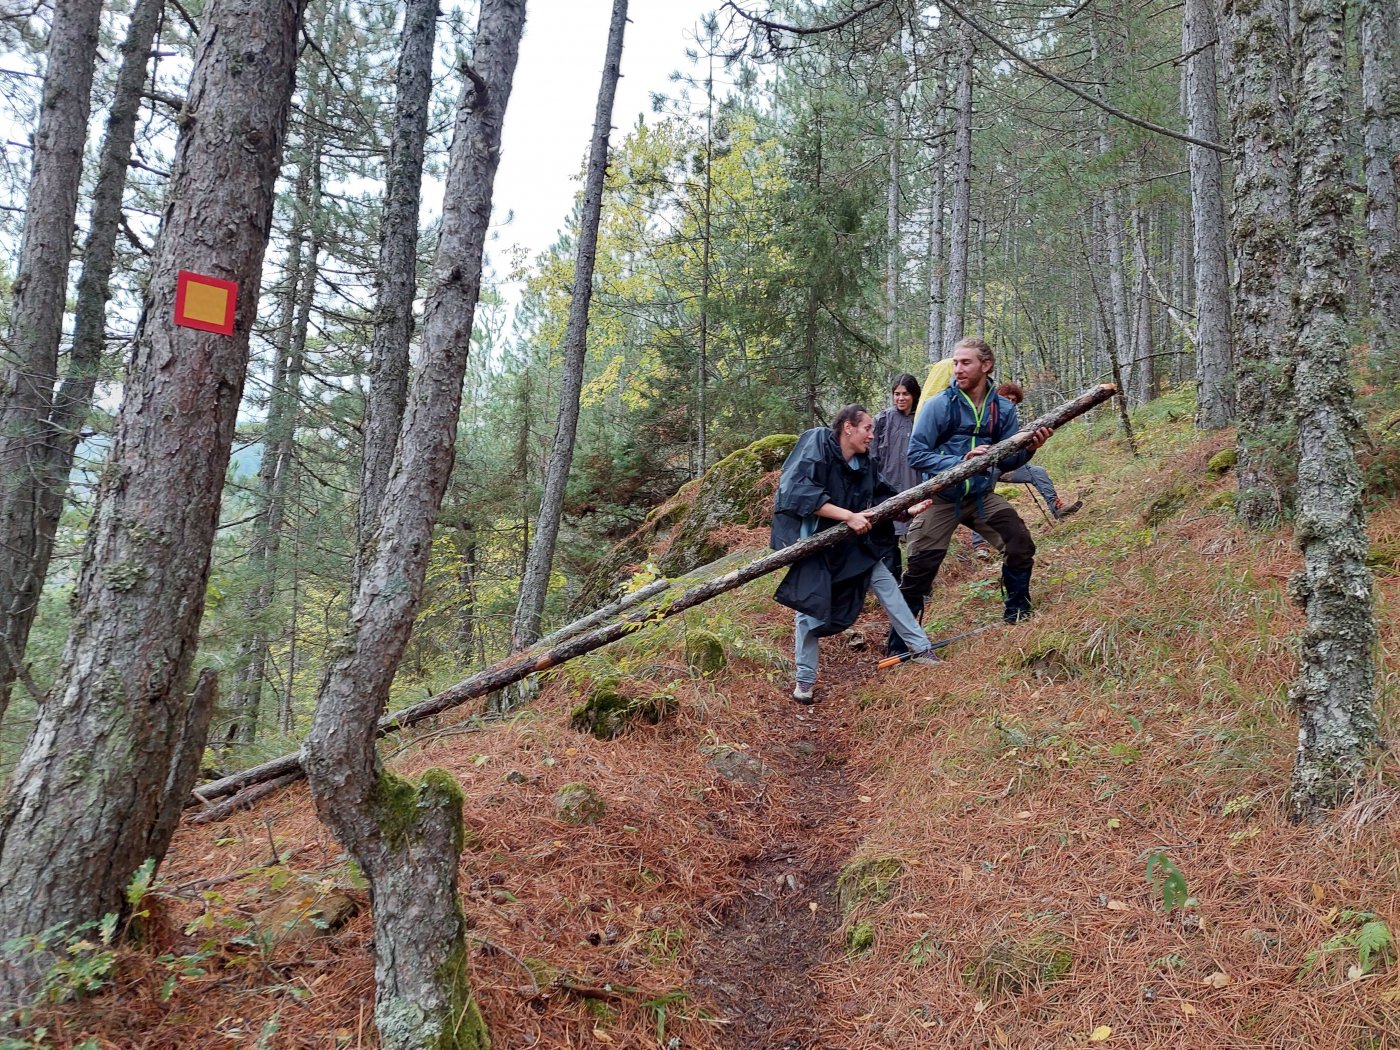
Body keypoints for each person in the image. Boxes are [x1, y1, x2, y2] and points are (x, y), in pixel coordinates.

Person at [771, 405, 941, 704]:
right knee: (808, 609)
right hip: (815, 545)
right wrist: (848, 516)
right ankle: (804, 682)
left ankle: (920, 648)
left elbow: (881, 496)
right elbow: (797, 492)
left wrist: (905, 511)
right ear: (848, 427)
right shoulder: (818, 444)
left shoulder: (864, 463)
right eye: (867, 429)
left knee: (887, 585)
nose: (872, 436)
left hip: (852, 545)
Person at [895, 337, 1054, 637]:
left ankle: (1017, 612)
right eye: (955, 362)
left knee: (1020, 542)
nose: (958, 369)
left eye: (965, 362)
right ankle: (902, 641)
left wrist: (1031, 448)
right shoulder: (937, 406)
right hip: (940, 499)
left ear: (986, 365)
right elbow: (915, 454)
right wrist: (960, 461)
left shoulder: (1002, 410)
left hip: (981, 497)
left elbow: (1007, 462)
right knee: (920, 569)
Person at [990, 382, 1082, 521]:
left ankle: (1058, 509)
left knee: (1038, 471)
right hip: (985, 468)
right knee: (983, 493)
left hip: (1008, 466)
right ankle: (978, 542)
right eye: (1006, 398)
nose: (1010, 402)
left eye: (1013, 400)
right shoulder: (984, 415)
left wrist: (1029, 447)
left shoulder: (1011, 419)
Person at [870, 373, 923, 577]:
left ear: (914, 395)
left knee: (917, 536)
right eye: (897, 394)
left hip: (915, 485)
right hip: (888, 487)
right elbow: (872, 454)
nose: (900, 398)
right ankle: (892, 582)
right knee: (889, 537)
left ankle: (916, 583)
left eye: (905, 394)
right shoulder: (883, 419)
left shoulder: (921, 418)